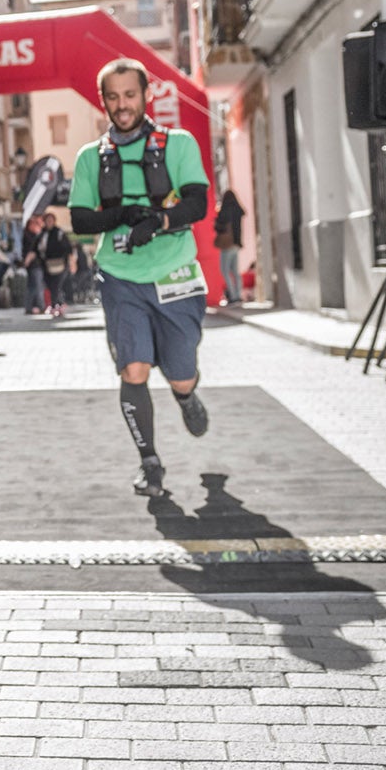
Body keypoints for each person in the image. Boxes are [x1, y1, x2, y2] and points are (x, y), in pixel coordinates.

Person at [68, 58, 211, 496]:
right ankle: (150, 463)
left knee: (181, 373)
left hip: (175, 273)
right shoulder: (91, 157)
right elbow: (79, 220)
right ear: (103, 101)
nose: (122, 105)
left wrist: (160, 222)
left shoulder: (179, 143)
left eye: (129, 95)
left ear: (145, 95)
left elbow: (198, 203)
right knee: (133, 370)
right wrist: (122, 216)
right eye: (113, 97)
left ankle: (186, 396)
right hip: (119, 276)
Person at [213, 190, 247, 305]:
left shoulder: (225, 210)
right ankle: (238, 294)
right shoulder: (237, 210)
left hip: (227, 245)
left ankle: (233, 296)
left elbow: (219, 226)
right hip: (236, 243)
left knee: (225, 270)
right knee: (235, 272)